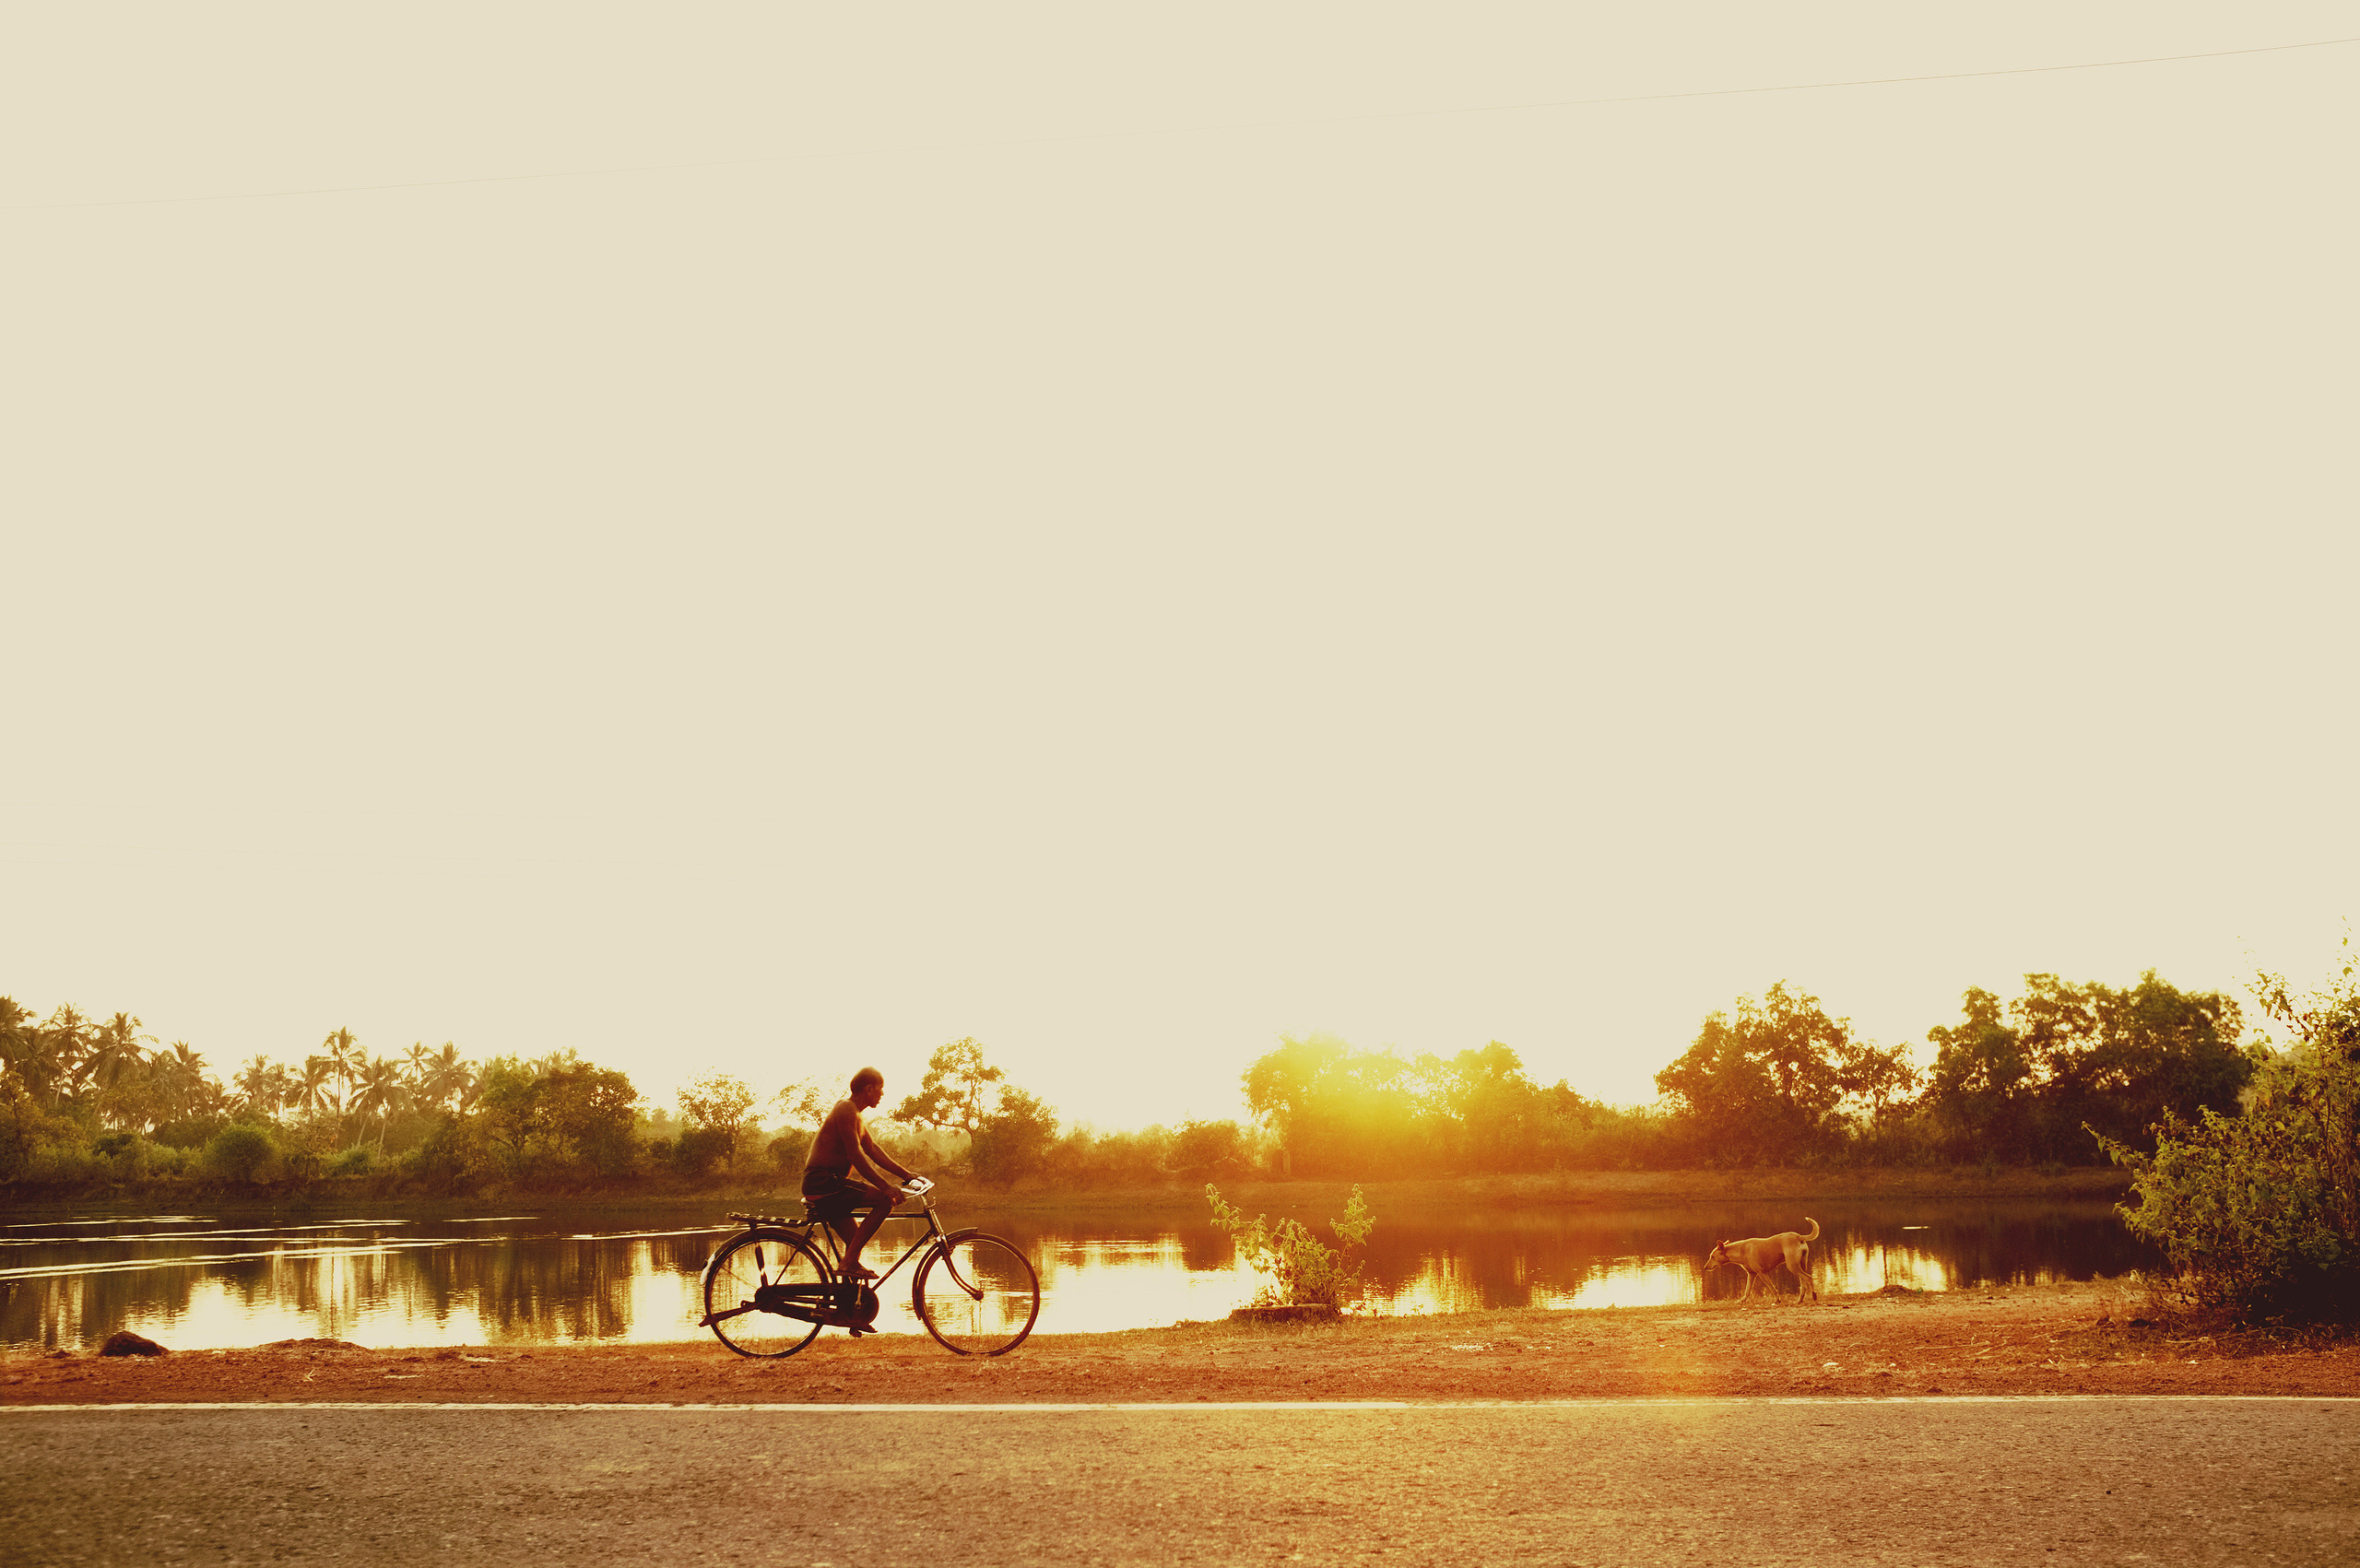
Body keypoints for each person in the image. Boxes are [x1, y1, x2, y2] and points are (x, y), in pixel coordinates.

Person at [801, 1067, 915, 1283]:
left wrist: (907, 1174)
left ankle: (847, 1305)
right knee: (884, 1201)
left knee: (855, 1244)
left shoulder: (855, 1114)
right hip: (823, 1183)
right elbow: (856, 1154)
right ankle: (848, 1263)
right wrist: (886, 1187)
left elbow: (872, 1149)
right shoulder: (846, 1109)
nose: (883, 1094)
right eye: (881, 1089)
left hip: (830, 1184)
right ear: (869, 1088)